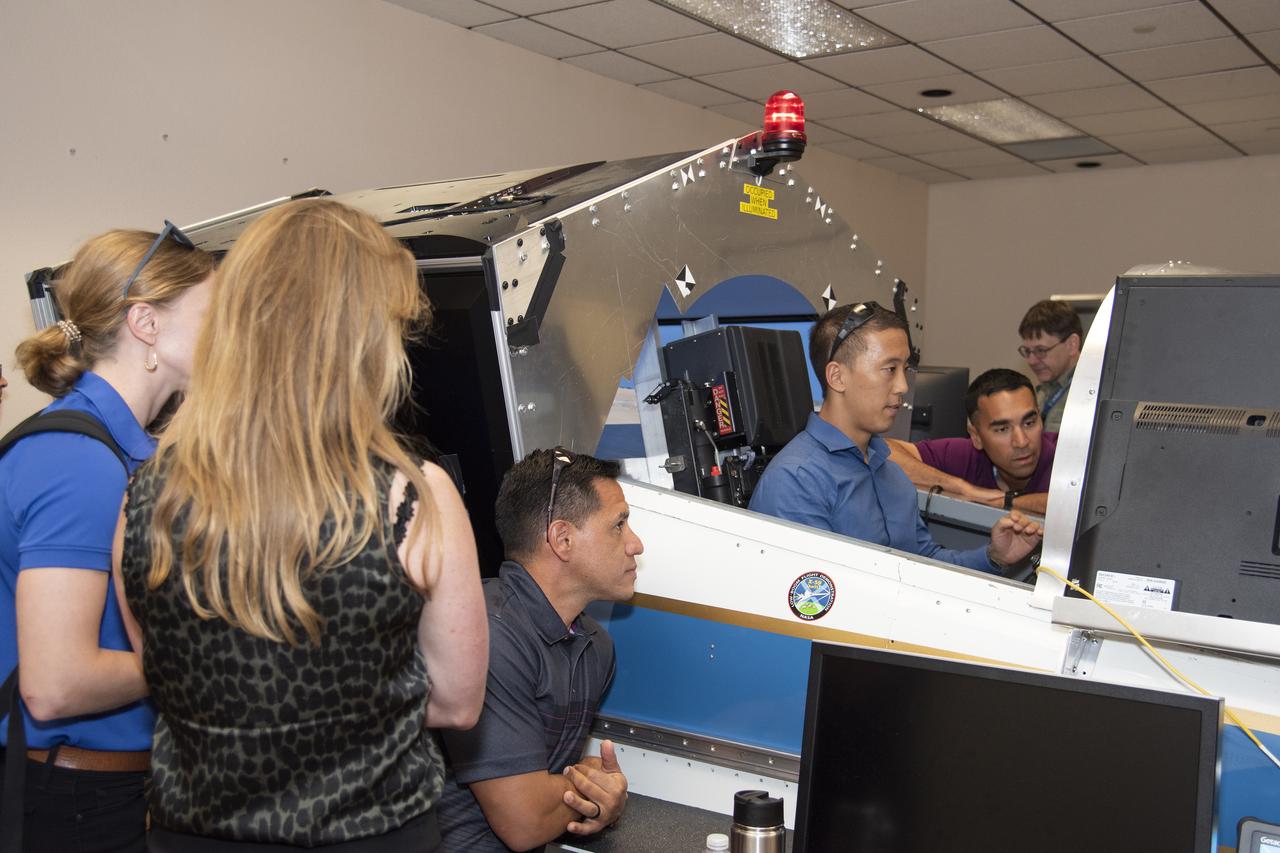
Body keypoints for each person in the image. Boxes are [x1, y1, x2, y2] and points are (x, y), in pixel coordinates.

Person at [113, 199, 488, 851]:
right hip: (372, 834)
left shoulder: (146, 497)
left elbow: (167, 675)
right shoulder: (415, 499)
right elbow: (457, 703)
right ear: (363, 337)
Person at [0, 225, 214, 852]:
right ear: (146, 323)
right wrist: (212, 657)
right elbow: (58, 681)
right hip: (77, 806)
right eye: (214, 312)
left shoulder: (122, 447)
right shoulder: (77, 458)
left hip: (113, 791)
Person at [436, 448, 640, 852]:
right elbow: (525, 822)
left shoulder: (596, 647)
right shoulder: (488, 633)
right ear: (562, 539)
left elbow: (557, 789)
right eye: (619, 525)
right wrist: (596, 794)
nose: (636, 544)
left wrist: (599, 793)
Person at [749, 303, 1042, 575]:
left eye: (905, 369)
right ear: (837, 377)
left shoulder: (890, 472)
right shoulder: (796, 480)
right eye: (890, 369)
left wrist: (994, 556)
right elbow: (814, 603)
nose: (902, 386)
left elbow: (922, 564)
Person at [887, 369, 1057, 516]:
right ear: (976, 437)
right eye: (1002, 429)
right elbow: (884, 451)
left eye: (1029, 423)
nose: (1021, 442)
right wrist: (964, 489)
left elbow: (1070, 504)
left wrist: (1003, 501)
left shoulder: (1066, 457)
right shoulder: (967, 455)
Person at [1018, 300, 1082, 433]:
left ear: (1072, 344)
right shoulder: (1043, 391)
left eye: (1041, 350)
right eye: (1027, 351)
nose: (1031, 361)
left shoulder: (1091, 393)